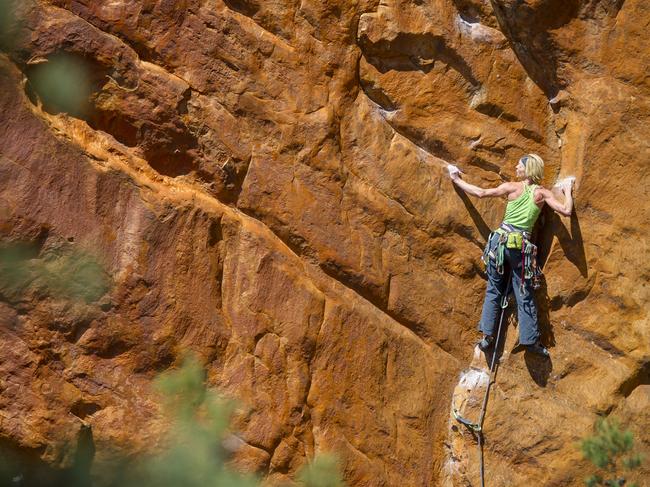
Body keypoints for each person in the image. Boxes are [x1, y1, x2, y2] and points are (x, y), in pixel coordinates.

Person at [449, 154, 574, 356]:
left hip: (499, 243)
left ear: (528, 169)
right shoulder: (541, 194)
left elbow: (480, 193)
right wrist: (567, 189)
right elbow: (566, 210)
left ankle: (487, 337)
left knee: (494, 289)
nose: (516, 166)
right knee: (523, 292)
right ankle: (530, 341)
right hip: (520, 249)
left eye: (520, 164)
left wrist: (456, 180)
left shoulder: (511, 187)